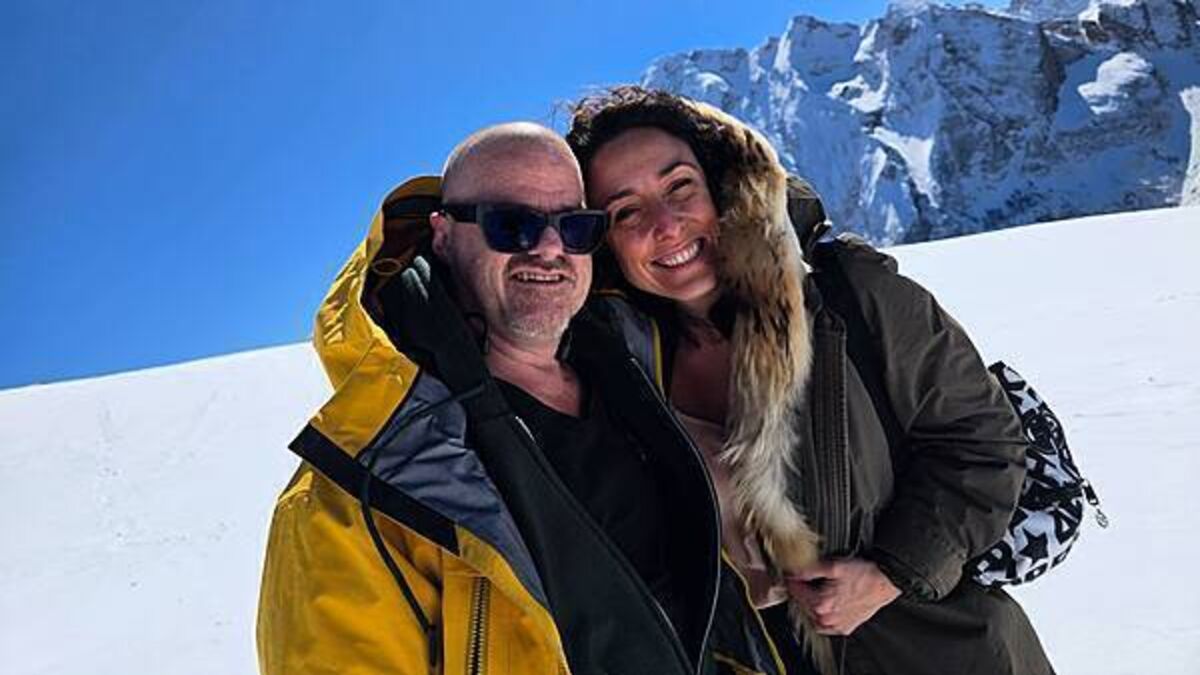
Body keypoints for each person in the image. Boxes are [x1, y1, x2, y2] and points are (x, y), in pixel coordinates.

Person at [256, 122, 785, 674]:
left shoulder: (637, 376)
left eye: (574, 227)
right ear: (443, 235)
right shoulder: (356, 491)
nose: (550, 248)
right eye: (512, 225)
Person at [566, 86, 1056, 675]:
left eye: (680, 188)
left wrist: (894, 571)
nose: (666, 226)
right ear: (602, 241)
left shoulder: (851, 298)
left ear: (723, 187)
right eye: (626, 212)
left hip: (940, 655)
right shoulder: (616, 370)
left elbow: (985, 444)